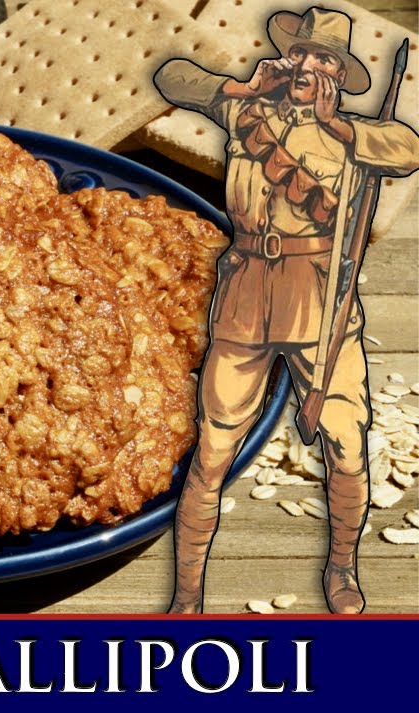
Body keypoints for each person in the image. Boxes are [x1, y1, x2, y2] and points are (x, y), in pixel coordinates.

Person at [154, 7, 419, 614]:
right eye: (302, 54)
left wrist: (340, 129)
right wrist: (242, 87)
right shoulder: (246, 113)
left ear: (336, 75)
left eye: (323, 59)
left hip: (321, 300)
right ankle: (187, 598)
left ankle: (343, 569)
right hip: (247, 291)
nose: (308, 65)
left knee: (346, 444)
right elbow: (173, 78)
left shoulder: (354, 134)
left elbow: (408, 149)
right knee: (213, 449)